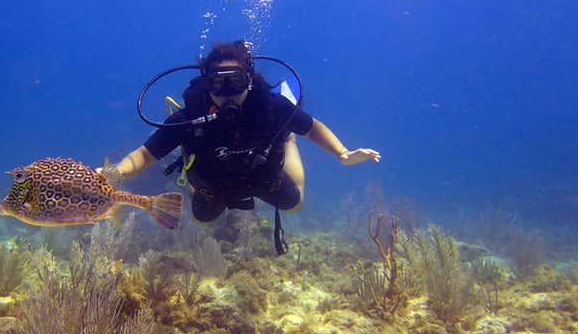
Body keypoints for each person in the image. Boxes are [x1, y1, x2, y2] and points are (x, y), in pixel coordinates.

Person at [114, 40, 380, 236]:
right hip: (213, 181)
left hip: (263, 173)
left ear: (250, 81)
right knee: (204, 219)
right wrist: (115, 174)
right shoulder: (190, 117)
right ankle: (193, 173)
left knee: (295, 205)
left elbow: (312, 127)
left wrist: (342, 153)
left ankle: (288, 140)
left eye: (237, 82)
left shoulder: (272, 107)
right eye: (219, 84)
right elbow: (144, 155)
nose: (228, 93)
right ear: (207, 84)